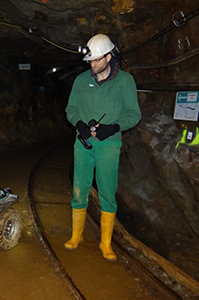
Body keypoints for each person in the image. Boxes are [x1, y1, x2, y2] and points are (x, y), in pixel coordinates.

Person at [65, 34, 141, 261]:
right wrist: (79, 124)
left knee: (107, 191)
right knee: (80, 189)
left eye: (97, 60)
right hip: (83, 143)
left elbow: (134, 114)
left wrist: (114, 127)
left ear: (109, 56)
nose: (92, 64)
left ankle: (105, 243)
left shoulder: (125, 81)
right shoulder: (81, 81)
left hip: (109, 144)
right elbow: (71, 109)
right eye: (90, 60)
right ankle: (76, 236)